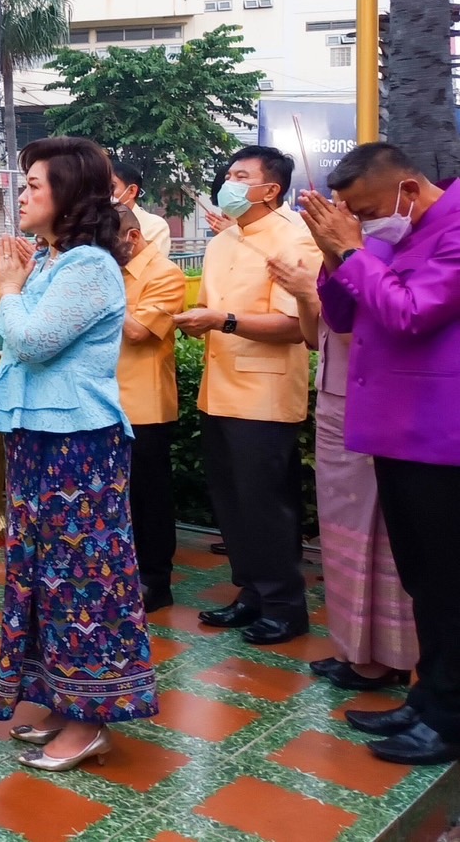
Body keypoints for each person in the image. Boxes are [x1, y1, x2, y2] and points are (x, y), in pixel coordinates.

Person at [0, 136, 157, 773]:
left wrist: (9, 286)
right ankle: (63, 701)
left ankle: (90, 722)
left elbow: (30, 341)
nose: (23, 194)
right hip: (44, 440)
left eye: (34, 184)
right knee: (42, 577)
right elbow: (4, 329)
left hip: (78, 445)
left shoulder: (88, 266)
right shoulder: (55, 261)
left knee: (84, 580)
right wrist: (15, 287)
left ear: (70, 195)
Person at [303, 142, 460, 766]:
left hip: (440, 436)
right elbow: (342, 312)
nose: (363, 225)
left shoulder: (451, 230)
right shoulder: (391, 235)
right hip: (395, 433)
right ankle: (429, 698)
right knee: (424, 581)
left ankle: (449, 718)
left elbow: (410, 313)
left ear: (409, 191)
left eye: (366, 211)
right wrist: (330, 253)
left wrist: (351, 249)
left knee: (448, 584)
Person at [173, 145, 320, 645]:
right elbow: (212, 306)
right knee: (231, 501)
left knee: (266, 503)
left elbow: (294, 326)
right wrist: (201, 321)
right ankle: (251, 593)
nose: (228, 183)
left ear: (269, 189)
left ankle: (284, 605)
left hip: (264, 393)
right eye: (229, 173)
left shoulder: (293, 238)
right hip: (219, 390)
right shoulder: (223, 240)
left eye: (241, 175)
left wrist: (223, 320)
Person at [266, 249, 416, 692]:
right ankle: (355, 650)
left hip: (375, 402)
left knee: (382, 534)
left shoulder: (390, 257)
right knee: (342, 530)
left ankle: (394, 655)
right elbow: (316, 338)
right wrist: (305, 296)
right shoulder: (334, 259)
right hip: (334, 398)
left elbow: (370, 336)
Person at [113, 203, 187, 612]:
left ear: (133, 237)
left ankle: (156, 581)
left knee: (148, 498)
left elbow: (139, 332)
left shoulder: (165, 274)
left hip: (145, 405)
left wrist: (104, 292)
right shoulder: (114, 272)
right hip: (106, 400)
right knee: (116, 497)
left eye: (109, 247)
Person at [111, 160, 171, 256]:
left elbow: (150, 265)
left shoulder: (155, 226)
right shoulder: (94, 222)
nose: (104, 193)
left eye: (111, 187)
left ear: (131, 191)